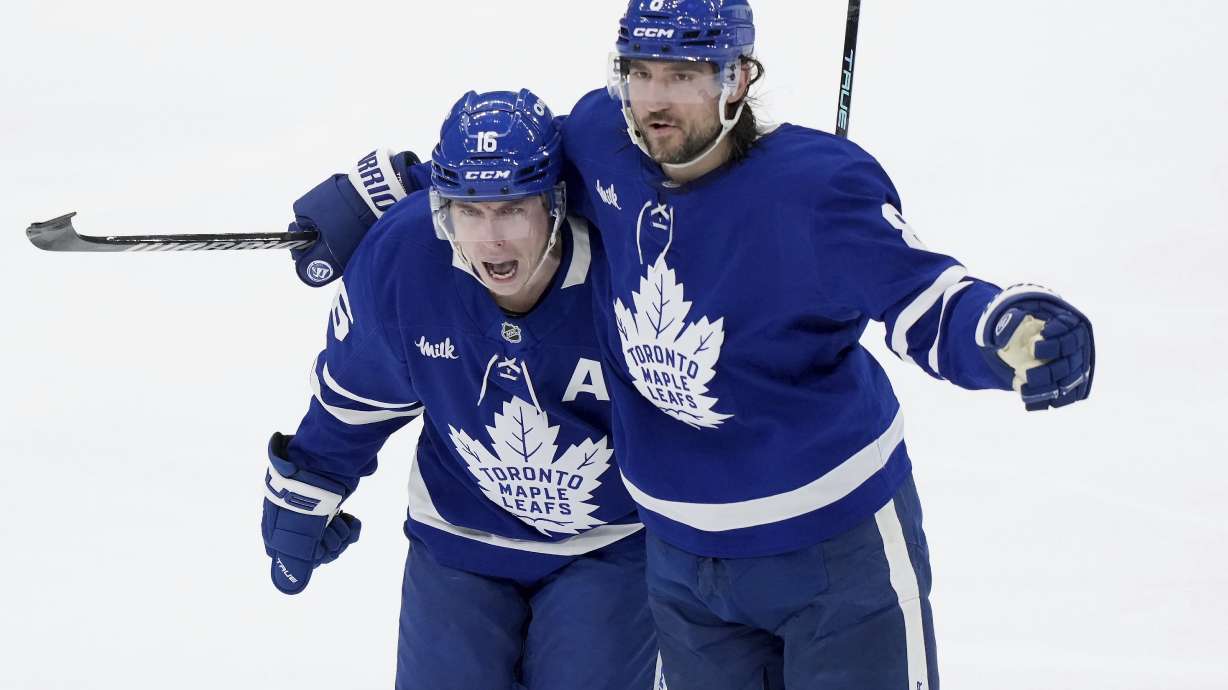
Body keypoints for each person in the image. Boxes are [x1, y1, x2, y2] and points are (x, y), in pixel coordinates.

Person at [289, 2, 1096, 687]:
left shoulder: (816, 188)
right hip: (684, 571)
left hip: (831, 548)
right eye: (639, 72)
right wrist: (379, 192)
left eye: (681, 74)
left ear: (737, 78)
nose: (655, 99)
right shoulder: (606, 140)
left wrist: (1006, 329)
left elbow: (927, 301)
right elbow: (504, 168)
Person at [262, 89, 663, 690]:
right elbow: (355, 398)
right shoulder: (405, 259)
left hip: (609, 545)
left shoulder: (628, 267)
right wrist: (307, 489)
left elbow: (624, 144)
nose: (490, 240)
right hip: (457, 536)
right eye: (468, 211)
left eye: (511, 210)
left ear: (555, 204)